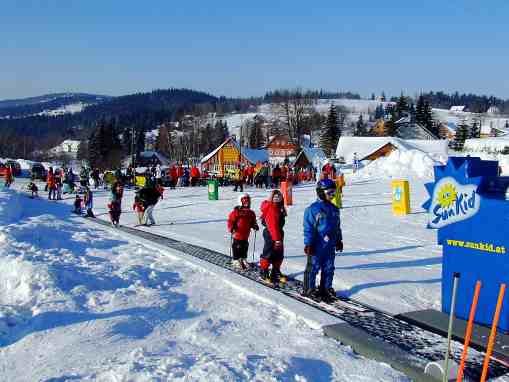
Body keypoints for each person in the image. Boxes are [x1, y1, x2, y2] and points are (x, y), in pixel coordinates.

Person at [302, 179, 343, 302]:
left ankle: (325, 288)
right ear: (321, 192)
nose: (332, 196)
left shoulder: (334, 209)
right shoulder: (313, 209)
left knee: (329, 267)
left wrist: (338, 240)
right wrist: (308, 244)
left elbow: (337, 226)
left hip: (329, 244)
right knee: (313, 267)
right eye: (329, 193)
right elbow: (308, 228)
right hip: (317, 244)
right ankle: (309, 289)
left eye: (333, 193)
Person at [259, 189, 287, 285]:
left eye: (279, 197)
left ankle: (275, 271)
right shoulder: (271, 208)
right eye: (275, 197)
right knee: (269, 252)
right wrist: (277, 239)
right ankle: (264, 271)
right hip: (271, 234)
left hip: (278, 233)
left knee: (279, 253)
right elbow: (272, 225)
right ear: (271, 198)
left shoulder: (279, 207)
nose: (277, 199)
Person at [227, 193, 259, 270]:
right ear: (240, 201)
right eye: (244, 200)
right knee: (237, 246)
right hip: (238, 233)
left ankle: (243, 259)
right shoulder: (236, 212)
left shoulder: (251, 213)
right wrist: (231, 227)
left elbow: (252, 221)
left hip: (246, 234)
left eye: (248, 200)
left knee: (245, 246)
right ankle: (236, 259)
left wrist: (254, 225)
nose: (247, 202)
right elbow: (231, 220)